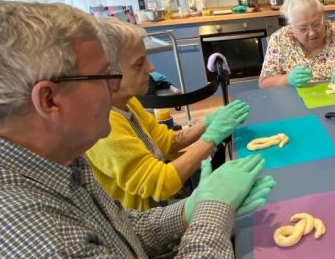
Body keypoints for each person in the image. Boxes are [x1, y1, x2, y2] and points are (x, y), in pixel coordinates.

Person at [0, 1, 275, 259]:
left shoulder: (47, 154)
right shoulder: (14, 226)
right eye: (105, 76)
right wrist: (213, 210)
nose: (115, 89)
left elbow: (112, 229)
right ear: (49, 99)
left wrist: (187, 211)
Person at [85, 18, 250, 211]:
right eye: (139, 64)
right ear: (108, 74)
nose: (151, 68)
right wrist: (211, 139)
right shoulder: (104, 129)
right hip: (144, 217)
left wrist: (206, 122)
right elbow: (159, 183)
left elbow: (165, 142)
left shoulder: (128, 102)